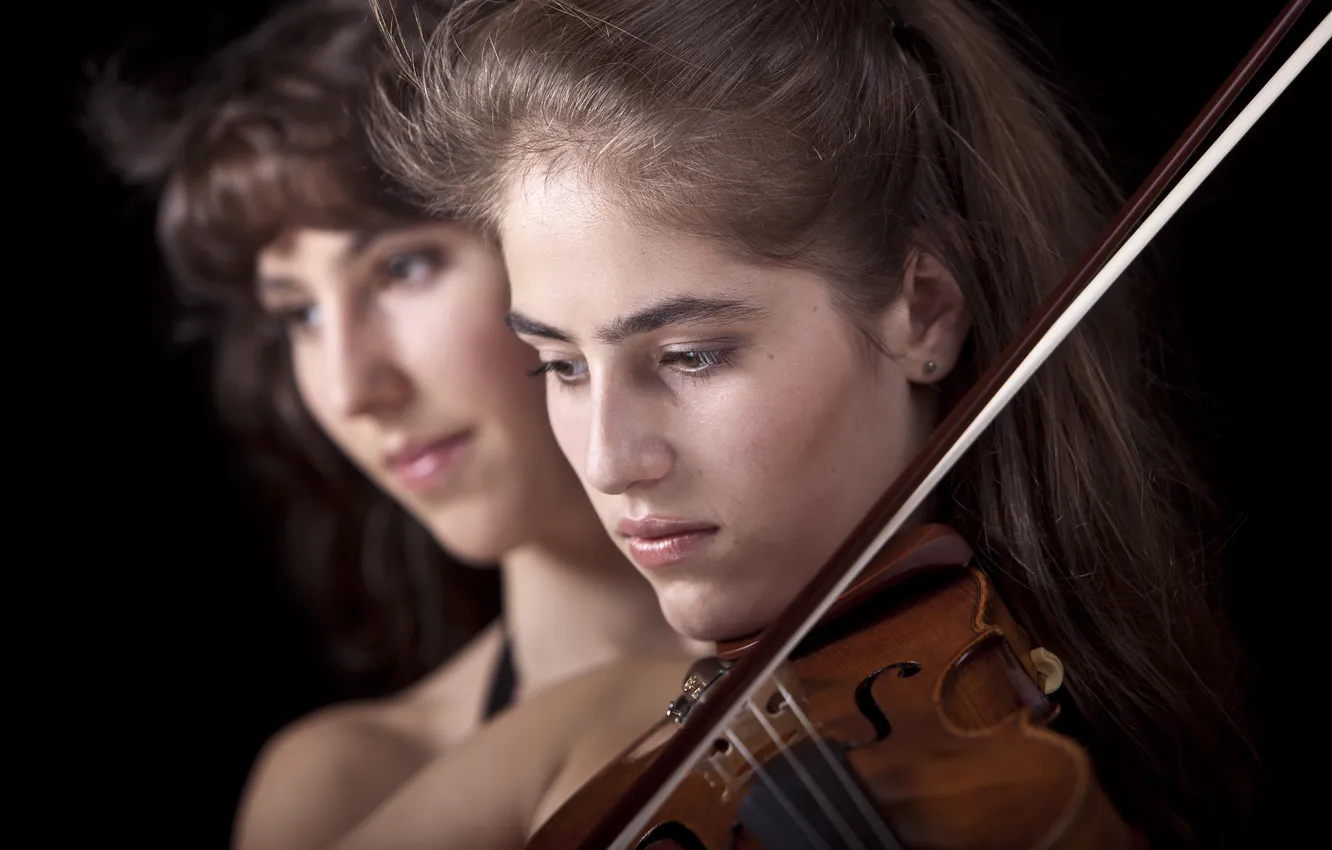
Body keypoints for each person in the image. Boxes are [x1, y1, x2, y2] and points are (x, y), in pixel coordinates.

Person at [367, 0, 1263, 846]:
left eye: (691, 356)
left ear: (923, 312)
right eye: (561, 366)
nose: (609, 461)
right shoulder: (564, 750)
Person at [83, 1, 702, 848]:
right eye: (298, 314)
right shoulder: (349, 784)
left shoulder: (913, 635)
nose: (347, 388)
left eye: (402, 268)